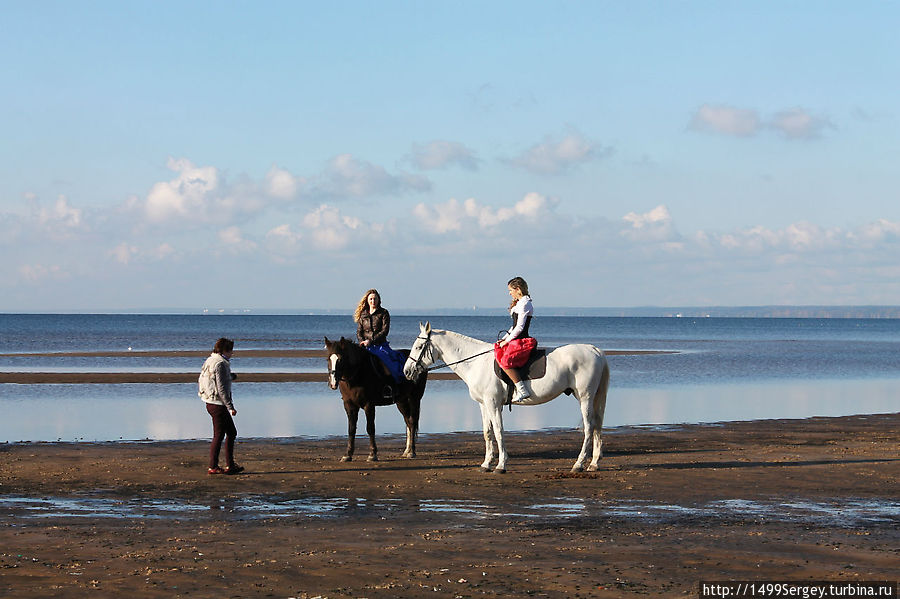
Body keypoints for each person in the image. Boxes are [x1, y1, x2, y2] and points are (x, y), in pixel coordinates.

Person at [198, 337, 243, 475]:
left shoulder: (210, 360)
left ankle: (227, 465)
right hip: (217, 404)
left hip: (209, 402)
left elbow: (215, 379)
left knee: (227, 433)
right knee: (223, 434)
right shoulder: (220, 364)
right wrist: (230, 407)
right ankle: (216, 466)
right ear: (225, 350)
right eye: (231, 351)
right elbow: (221, 388)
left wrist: (230, 376)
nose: (232, 353)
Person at [354, 288, 407, 398]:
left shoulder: (384, 313)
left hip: (380, 345)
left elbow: (384, 331)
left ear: (378, 300)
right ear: (367, 300)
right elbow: (359, 331)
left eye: (375, 299)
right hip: (365, 346)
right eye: (371, 299)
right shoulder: (363, 315)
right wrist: (362, 342)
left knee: (387, 363)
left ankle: (392, 387)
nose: (373, 301)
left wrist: (371, 341)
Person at [494, 276, 537, 403]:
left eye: (510, 290)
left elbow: (519, 327)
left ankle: (522, 390)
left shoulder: (525, 303)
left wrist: (507, 341)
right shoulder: (519, 303)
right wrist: (503, 339)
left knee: (506, 361)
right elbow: (513, 327)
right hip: (515, 338)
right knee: (497, 351)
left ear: (518, 289)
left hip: (522, 341)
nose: (509, 293)